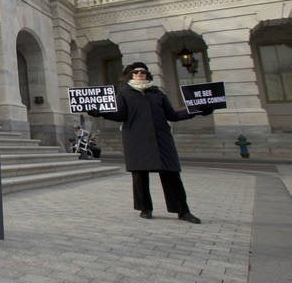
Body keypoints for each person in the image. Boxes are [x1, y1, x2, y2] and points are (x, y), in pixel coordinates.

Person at [89, 61, 211, 223]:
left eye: (143, 71)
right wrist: (99, 112)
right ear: (130, 75)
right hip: (136, 138)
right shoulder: (124, 93)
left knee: (172, 175)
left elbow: (172, 115)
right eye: (136, 72)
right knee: (140, 175)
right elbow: (120, 115)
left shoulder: (157, 93)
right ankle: (145, 208)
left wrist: (197, 110)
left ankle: (183, 211)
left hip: (161, 137)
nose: (140, 74)